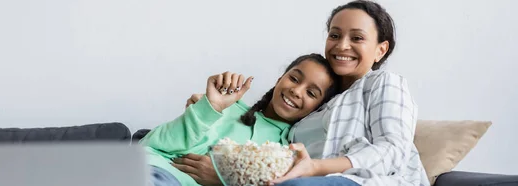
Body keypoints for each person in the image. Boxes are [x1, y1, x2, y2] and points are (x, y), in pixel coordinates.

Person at [177, 1, 430, 186]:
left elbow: (393, 150)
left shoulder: (384, 83)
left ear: (380, 50)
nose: (342, 45)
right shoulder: (316, 104)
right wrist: (208, 113)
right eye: (335, 35)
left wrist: (315, 168)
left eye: (357, 38)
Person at [139, 53, 340, 186]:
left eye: (311, 93)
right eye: (294, 79)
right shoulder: (227, 106)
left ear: (318, 108)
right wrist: (211, 107)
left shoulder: (283, 153)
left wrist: (225, 177)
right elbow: (151, 144)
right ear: (280, 79)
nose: (296, 90)